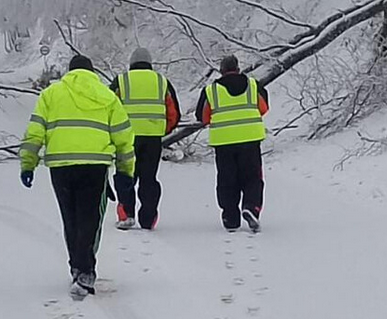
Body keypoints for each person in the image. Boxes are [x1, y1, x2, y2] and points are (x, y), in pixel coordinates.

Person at [19, 55, 135, 298]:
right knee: (90, 218)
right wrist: (125, 172)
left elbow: (35, 131)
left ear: (69, 72)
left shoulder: (51, 94)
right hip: (94, 166)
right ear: (92, 71)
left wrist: (28, 164)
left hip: (61, 167)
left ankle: (77, 266)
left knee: (70, 218)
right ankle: (85, 270)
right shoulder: (107, 96)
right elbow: (124, 138)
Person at [195, 55, 268, 233]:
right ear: (238, 68)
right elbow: (263, 107)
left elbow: (203, 117)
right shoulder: (254, 85)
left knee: (227, 180)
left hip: (224, 143)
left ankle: (230, 218)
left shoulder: (211, 91)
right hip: (250, 140)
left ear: (221, 70)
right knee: (252, 178)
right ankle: (251, 208)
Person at [109, 47, 181, 230]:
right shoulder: (161, 82)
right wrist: (162, 129)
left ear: (131, 64)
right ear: (150, 64)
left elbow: (108, 108)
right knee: (149, 178)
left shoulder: (122, 81)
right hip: (152, 139)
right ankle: (148, 218)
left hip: (126, 138)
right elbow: (174, 113)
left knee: (125, 176)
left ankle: (126, 214)